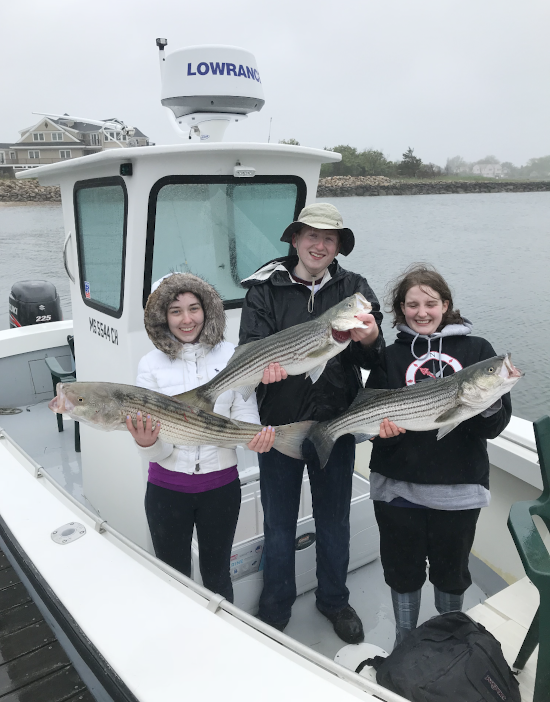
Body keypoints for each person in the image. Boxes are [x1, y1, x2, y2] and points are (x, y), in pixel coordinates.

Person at [239, 203, 383, 642]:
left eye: (330, 239)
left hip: (336, 424)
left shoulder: (354, 288)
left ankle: (334, 600)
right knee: (279, 522)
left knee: (334, 519)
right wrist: (262, 370)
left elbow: (371, 360)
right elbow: (250, 347)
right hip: (280, 426)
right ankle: (276, 605)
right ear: (295, 239)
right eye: (312, 236)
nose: (320, 246)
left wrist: (373, 338)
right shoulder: (264, 288)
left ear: (338, 246)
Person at [365, 263, 512, 646]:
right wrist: (387, 436)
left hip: (458, 491)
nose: (422, 312)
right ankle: (404, 638)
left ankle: (449, 640)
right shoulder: (390, 357)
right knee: (402, 571)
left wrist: (486, 401)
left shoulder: (478, 350)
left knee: (451, 572)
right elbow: (376, 433)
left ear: (445, 304)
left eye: (430, 303)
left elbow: (493, 428)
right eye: (411, 305)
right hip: (397, 490)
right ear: (401, 310)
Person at [126, 272, 274, 603]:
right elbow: (155, 452)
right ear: (162, 316)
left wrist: (253, 436)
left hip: (221, 489)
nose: (187, 319)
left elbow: (245, 409)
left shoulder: (231, 354)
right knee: (173, 578)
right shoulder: (149, 365)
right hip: (167, 491)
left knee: (218, 575)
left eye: (194, 307)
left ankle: (222, 641)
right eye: (175, 310)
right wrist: (147, 443)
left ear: (207, 309)